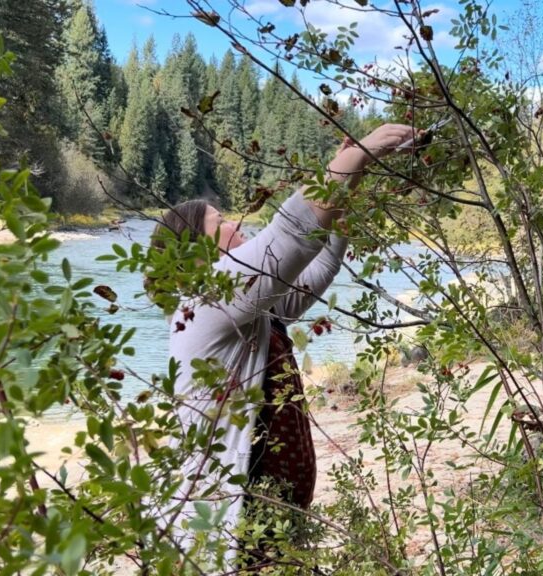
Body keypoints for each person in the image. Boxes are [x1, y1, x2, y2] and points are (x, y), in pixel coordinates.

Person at [147, 124, 420, 563]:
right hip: (235, 521)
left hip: (270, 513)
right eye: (221, 222)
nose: (236, 223)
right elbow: (290, 235)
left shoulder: (253, 308)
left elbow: (320, 262)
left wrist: (350, 182)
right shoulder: (207, 300)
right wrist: (359, 154)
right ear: (197, 252)